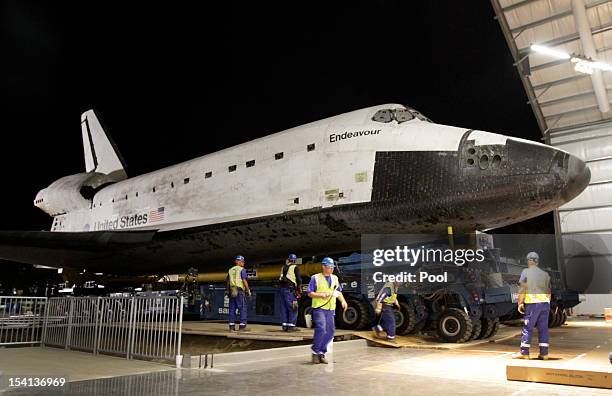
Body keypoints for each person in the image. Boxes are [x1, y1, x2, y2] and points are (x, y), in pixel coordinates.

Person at [307, 257, 348, 364]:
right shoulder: (315, 278)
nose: (331, 269)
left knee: (330, 332)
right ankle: (315, 351)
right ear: (323, 267)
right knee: (321, 328)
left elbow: (338, 292)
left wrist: (343, 301)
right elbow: (310, 293)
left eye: (332, 267)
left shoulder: (335, 278)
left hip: (330, 309)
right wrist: (321, 295)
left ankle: (321, 352)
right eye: (329, 267)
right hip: (319, 308)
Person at [512, 251, 551, 360]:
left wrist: (520, 303)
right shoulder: (545, 274)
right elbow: (548, 291)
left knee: (528, 328)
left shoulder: (526, 272)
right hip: (545, 304)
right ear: (537, 262)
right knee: (543, 329)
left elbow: (523, 288)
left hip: (533, 304)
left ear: (529, 261)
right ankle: (544, 354)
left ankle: (524, 353)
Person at [226, 255, 251, 331]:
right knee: (242, 308)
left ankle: (231, 326)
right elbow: (244, 280)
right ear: (236, 261)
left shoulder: (230, 270)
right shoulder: (242, 270)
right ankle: (242, 327)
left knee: (232, 309)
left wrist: (228, 291)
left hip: (232, 290)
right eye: (241, 261)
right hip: (239, 291)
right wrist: (248, 290)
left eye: (243, 261)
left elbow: (228, 281)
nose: (243, 262)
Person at [279, 253, 302, 332]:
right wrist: (299, 289)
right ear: (295, 260)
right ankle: (291, 326)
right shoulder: (295, 267)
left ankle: (285, 326)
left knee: (284, 307)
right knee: (293, 307)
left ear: (288, 260)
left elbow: (281, 278)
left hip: (282, 289)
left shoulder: (283, 267)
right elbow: (299, 280)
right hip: (290, 290)